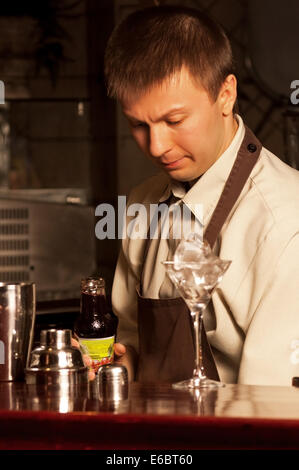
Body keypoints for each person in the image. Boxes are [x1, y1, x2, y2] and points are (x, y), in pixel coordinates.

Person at [103, 5, 299, 386]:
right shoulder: (142, 205)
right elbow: (131, 337)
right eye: (138, 125)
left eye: (174, 121)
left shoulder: (285, 221)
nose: (157, 146)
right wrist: (118, 368)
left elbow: (273, 402)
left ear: (226, 95)